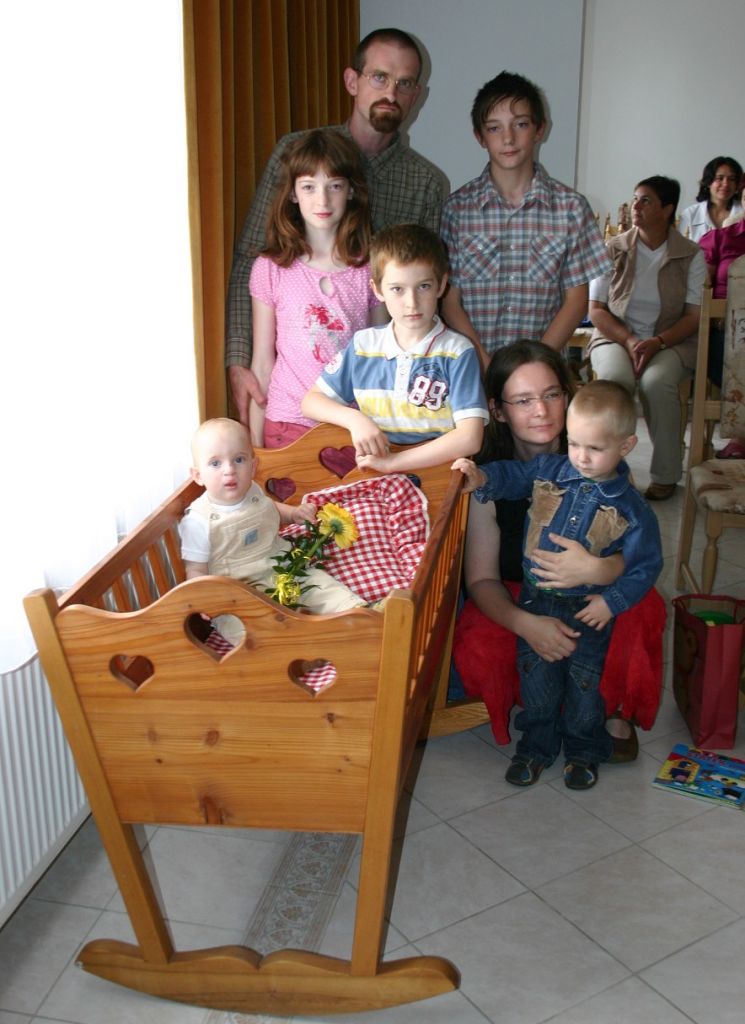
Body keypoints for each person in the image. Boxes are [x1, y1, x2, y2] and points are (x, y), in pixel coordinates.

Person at [452, 341, 666, 763]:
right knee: (480, 639)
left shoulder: (600, 454)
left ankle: (607, 707)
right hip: (520, 594)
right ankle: (547, 706)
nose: (541, 411)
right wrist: (527, 624)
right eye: (523, 400)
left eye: (552, 394)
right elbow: (481, 580)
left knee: (644, 608)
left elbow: (639, 548)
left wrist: (602, 570)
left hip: (589, 596)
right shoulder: (488, 477)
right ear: (498, 411)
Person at [227, 28, 446, 426]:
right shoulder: (296, 152)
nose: (391, 92)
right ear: (352, 81)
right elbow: (251, 257)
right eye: (379, 77)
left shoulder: (426, 183)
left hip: (369, 403)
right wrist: (238, 359)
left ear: (417, 94)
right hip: (288, 403)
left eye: (404, 83)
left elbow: (423, 295)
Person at [440, 70, 611, 356]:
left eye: (520, 124)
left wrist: (535, 366)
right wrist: (481, 362)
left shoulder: (571, 209)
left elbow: (576, 301)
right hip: (472, 366)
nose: (508, 138)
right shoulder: (457, 210)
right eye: (494, 128)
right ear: (480, 137)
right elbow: (449, 301)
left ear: (539, 129)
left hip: (542, 368)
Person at [301, 224, 488, 473]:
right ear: (377, 290)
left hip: (439, 478)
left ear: (442, 285)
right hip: (378, 478)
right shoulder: (363, 346)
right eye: (397, 289)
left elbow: (470, 438)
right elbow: (311, 402)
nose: (411, 303)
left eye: (423, 286)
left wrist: (393, 463)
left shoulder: (458, 352)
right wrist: (355, 419)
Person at [249, 129, 386, 449]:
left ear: (351, 191)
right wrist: (255, 447)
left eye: (334, 186)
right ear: (293, 194)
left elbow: (380, 359)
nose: (322, 200)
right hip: (286, 424)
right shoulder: (271, 268)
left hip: (352, 427)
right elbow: (262, 364)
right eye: (309, 187)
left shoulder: (370, 267)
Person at [179, 418, 365, 636]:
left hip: (282, 567)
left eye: (239, 459)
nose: (229, 470)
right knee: (239, 624)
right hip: (238, 591)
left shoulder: (252, 490)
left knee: (317, 583)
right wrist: (202, 598)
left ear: (253, 466)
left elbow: (269, 507)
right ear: (198, 475)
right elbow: (196, 569)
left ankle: (359, 614)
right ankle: (281, 647)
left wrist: (293, 514)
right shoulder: (198, 520)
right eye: (215, 463)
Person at [588, 176, 706, 501]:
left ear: (667, 210)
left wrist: (658, 342)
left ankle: (666, 474)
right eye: (635, 198)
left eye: (646, 200)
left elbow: (694, 316)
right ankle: (609, 471)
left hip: (671, 340)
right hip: (615, 336)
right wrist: (628, 340)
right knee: (616, 381)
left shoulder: (690, 255)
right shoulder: (612, 249)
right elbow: (596, 310)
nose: (635, 206)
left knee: (657, 383)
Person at [678, 156, 743, 242]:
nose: (726, 184)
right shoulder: (690, 214)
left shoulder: (743, 212)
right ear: (708, 182)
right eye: (720, 178)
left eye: (732, 179)